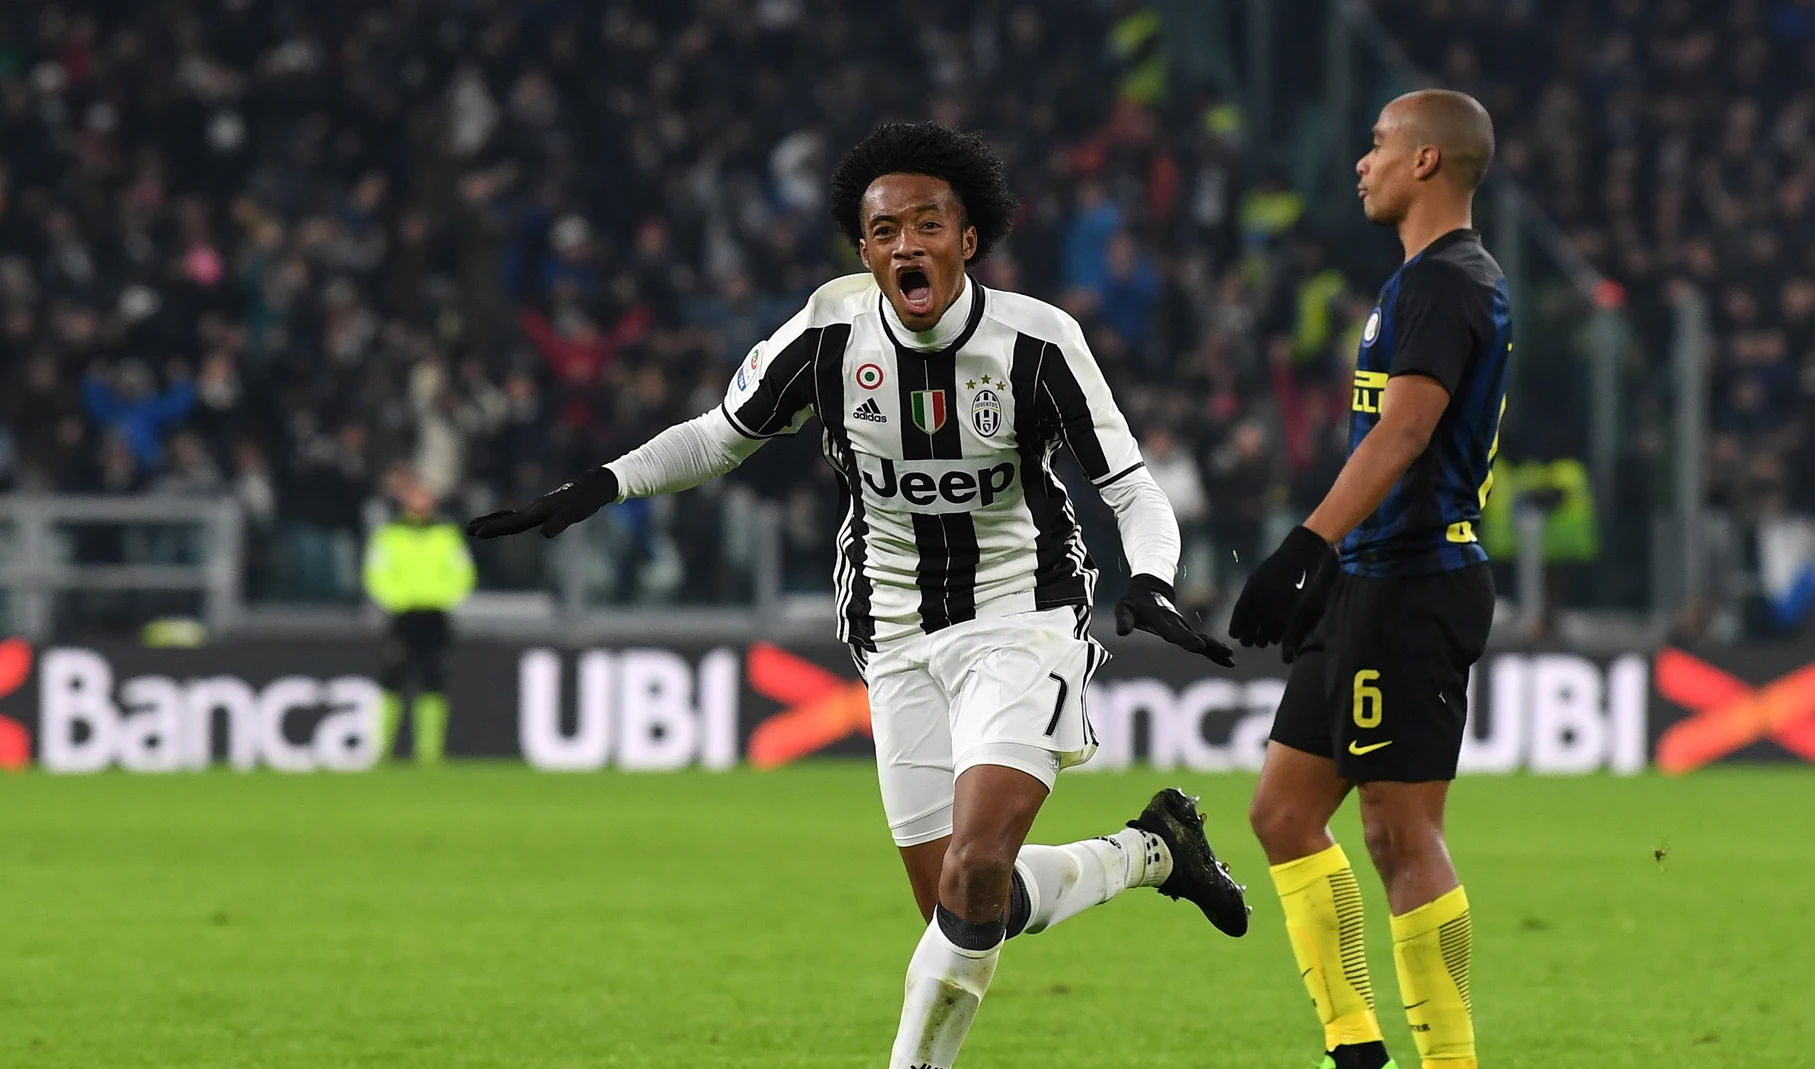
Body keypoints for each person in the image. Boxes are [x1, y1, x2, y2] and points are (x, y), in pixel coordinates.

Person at [467, 121, 1247, 1068]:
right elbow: (720, 435)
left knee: (973, 871)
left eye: (927, 224)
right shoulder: (829, 331)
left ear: (968, 237)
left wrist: (1154, 576)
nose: (905, 245)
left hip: (1022, 615)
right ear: (865, 248)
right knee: (963, 907)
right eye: (884, 232)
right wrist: (599, 485)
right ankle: (1153, 850)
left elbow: (1128, 486)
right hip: (894, 626)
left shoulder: (1039, 344)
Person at [1228, 90, 1509, 1069]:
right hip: (1369, 578)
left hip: (1414, 581)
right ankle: (1354, 1045)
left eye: (1380, 144)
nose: (1362, 160)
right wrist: (1329, 559)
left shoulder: (1444, 284)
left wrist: (1304, 542)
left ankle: (1449, 1061)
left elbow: (1406, 429)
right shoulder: (1419, 282)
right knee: (1281, 811)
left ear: (1429, 161)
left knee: (1398, 829)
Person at [363, 473, 476, 766]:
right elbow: (376, 575)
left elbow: (462, 574)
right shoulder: (389, 535)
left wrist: (441, 597)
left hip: (435, 615)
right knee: (392, 679)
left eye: (424, 496)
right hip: (402, 616)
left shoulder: (446, 534)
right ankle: (382, 749)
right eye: (415, 496)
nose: (420, 501)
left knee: (434, 679)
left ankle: (429, 752)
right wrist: (399, 599)